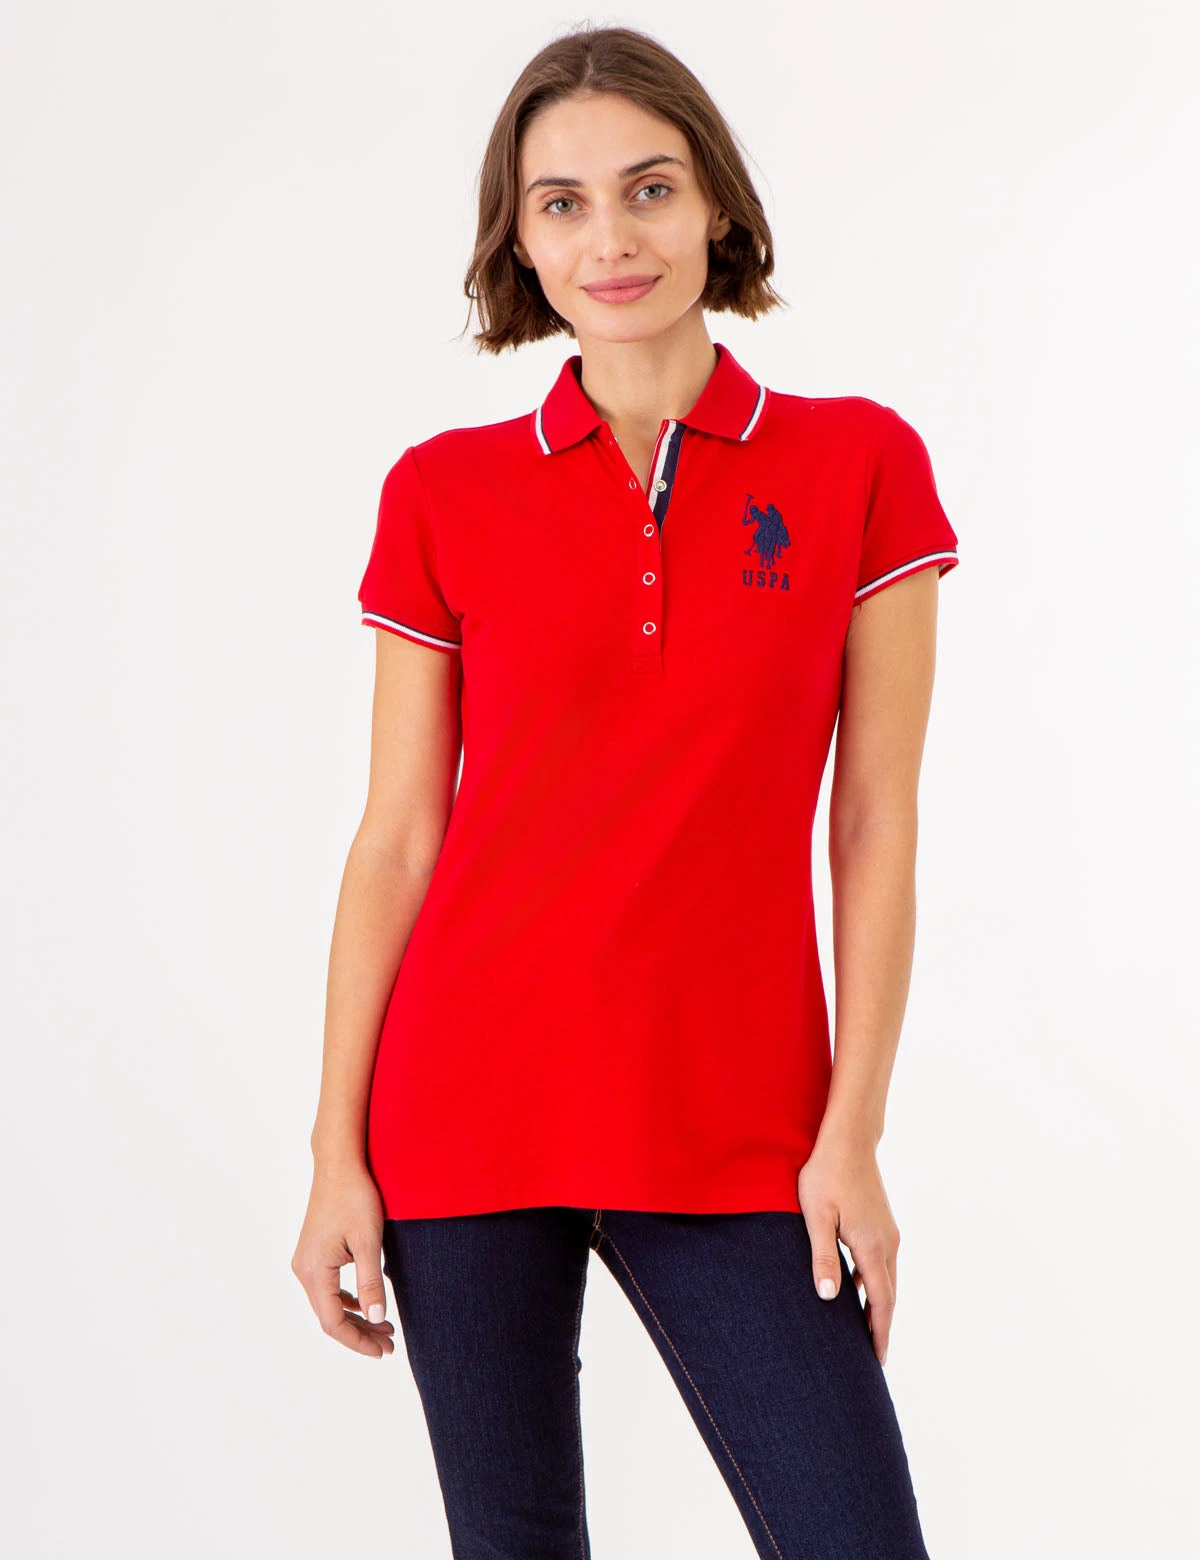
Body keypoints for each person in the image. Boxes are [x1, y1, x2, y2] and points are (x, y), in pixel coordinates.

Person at [292, 23, 959, 1560]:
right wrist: (334, 1149)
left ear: (715, 203)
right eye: (565, 202)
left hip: (742, 1126)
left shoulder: (859, 467)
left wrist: (852, 1132)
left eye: (650, 189)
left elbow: (875, 822)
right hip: (466, 1112)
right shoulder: (443, 492)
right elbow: (398, 838)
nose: (612, 238)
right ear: (520, 241)